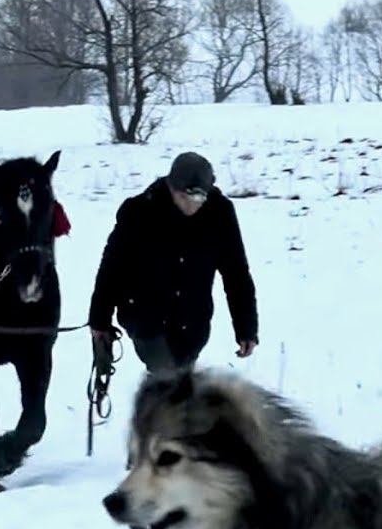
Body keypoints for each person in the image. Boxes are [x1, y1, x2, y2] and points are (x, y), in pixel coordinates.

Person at [88, 151, 259, 374]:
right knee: (168, 376)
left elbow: (236, 273)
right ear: (171, 188)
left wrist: (246, 328)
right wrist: (99, 320)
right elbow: (112, 268)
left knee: (181, 379)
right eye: (183, 197)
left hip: (193, 321)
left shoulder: (219, 213)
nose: (190, 205)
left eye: (198, 199)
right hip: (146, 318)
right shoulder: (139, 211)